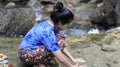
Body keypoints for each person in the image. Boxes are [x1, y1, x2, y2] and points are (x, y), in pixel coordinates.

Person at [19, 2, 86, 67]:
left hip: (34, 49)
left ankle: (39, 63)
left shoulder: (52, 24)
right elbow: (60, 58)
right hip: (26, 54)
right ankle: (37, 63)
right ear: (60, 22)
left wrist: (72, 59)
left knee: (60, 38)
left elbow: (60, 44)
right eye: (67, 24)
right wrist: (71, 66)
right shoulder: (47, 32)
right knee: (55, 46)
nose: (67, 26)